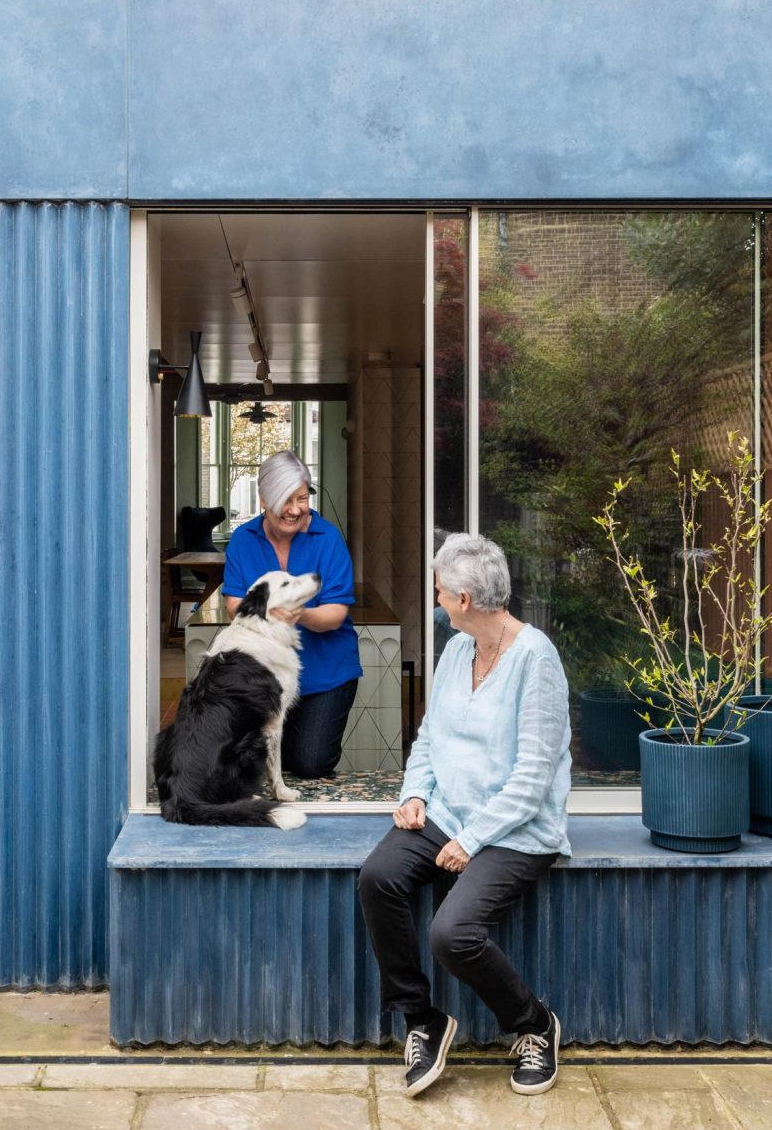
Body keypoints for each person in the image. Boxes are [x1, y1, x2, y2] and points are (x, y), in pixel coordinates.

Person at [357, 532, 572, 1099]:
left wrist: (472, 839)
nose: (436, 600)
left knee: (452, 934)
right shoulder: (457, 649)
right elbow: (431, 735)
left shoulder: (536, 660)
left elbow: (533, 779)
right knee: (378, 878)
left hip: (516, 828)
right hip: (447, 810)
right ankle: (422, 1021)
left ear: (464, 601)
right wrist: (415, 794)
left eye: (439, 591)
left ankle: (534, 1025)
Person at [221, 450, 357, 778]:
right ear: (264, 498)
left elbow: (336, 613)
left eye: (302, 498)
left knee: (309, 764)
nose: (295, 510)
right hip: (262, 676)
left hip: (325, 673)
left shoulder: (329, 539)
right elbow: (234, 605)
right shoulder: (243, 539)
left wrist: (301, 615)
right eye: (286, 500)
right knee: (250, 761)